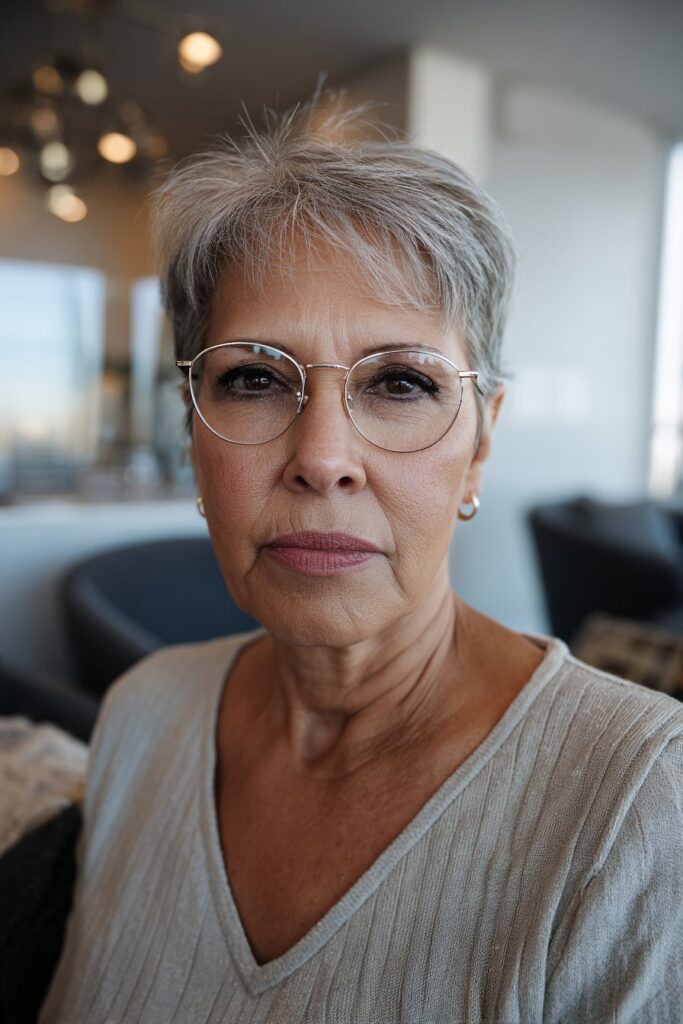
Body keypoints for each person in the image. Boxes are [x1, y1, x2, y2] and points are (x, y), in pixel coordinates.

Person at [40, 90, 682, 1023]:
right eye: (254, 379)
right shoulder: (139, 718)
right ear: (193, 430)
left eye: (402, 384)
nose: (323, 459)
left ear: (481, 440)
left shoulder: (639, 804)